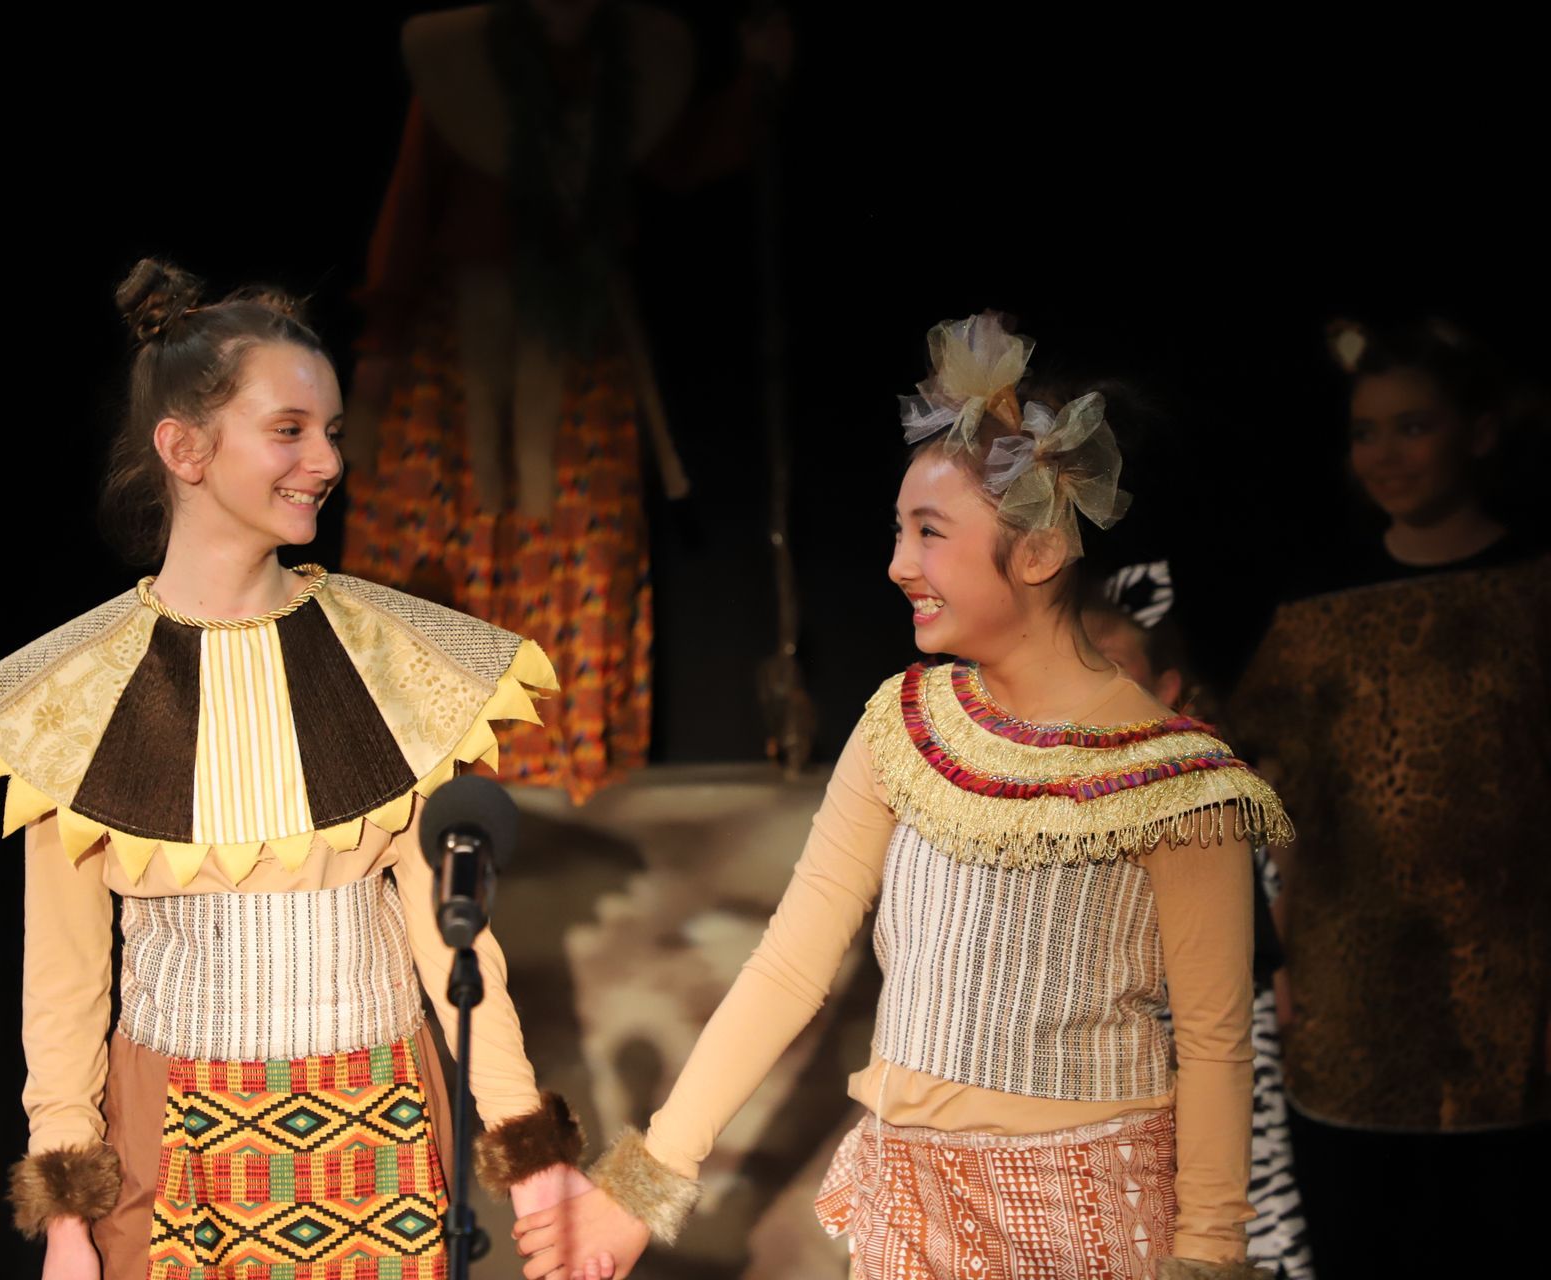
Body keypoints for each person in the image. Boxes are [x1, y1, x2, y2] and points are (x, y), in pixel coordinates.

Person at [515, 314, 1291, 1280]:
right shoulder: (907, 726)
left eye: (930, 533)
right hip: (911, 1211)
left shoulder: (1176, 780)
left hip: (1083, 1219)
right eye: (898, 531)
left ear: (1040, 552)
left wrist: (1208, 1258)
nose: (897, 564)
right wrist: (643, 1185)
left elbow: (1215, 1048)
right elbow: (788, 967)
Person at [0, 260, 592, 1280]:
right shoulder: (76, 694)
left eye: (333, 432)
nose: (326, 459)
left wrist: (529, 1151)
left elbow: (454, 940)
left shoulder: (390, 660)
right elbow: (63, 982)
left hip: (383, 1130)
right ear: (183, 448)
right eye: (289, 429)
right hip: (173, 1145)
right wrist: (66, 1221)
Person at [339, 0, 792, 802]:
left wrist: (756, 78)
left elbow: (683, 152)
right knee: (445, 548)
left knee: (580, 543)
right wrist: (378, 349)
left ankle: (557, 759)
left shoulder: (618, 84)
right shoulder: (465, 80)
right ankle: (428, 759)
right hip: (459, 359)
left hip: (574, 348)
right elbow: (409, 210)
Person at [1227, 319, 1551, 1277]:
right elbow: (1281, 797)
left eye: (1414, 426)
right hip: (1350, 1003)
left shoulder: (1534, 592)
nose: (1386, 455)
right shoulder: (1314, 608)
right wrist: (1281, 949)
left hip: (1510, 1001)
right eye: (1366, 432)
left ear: (1478, 432)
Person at [1085, 580, 1314, 1280]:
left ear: (1169, 686)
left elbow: (1266, 902)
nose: (1098, 686)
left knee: (1243, 1196)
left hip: (1216, 1032)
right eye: (1086, 665)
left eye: (1117, 666)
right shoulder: (1065, 796)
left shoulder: (1202, 785)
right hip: (1123, 1055)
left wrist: (1280, 983)